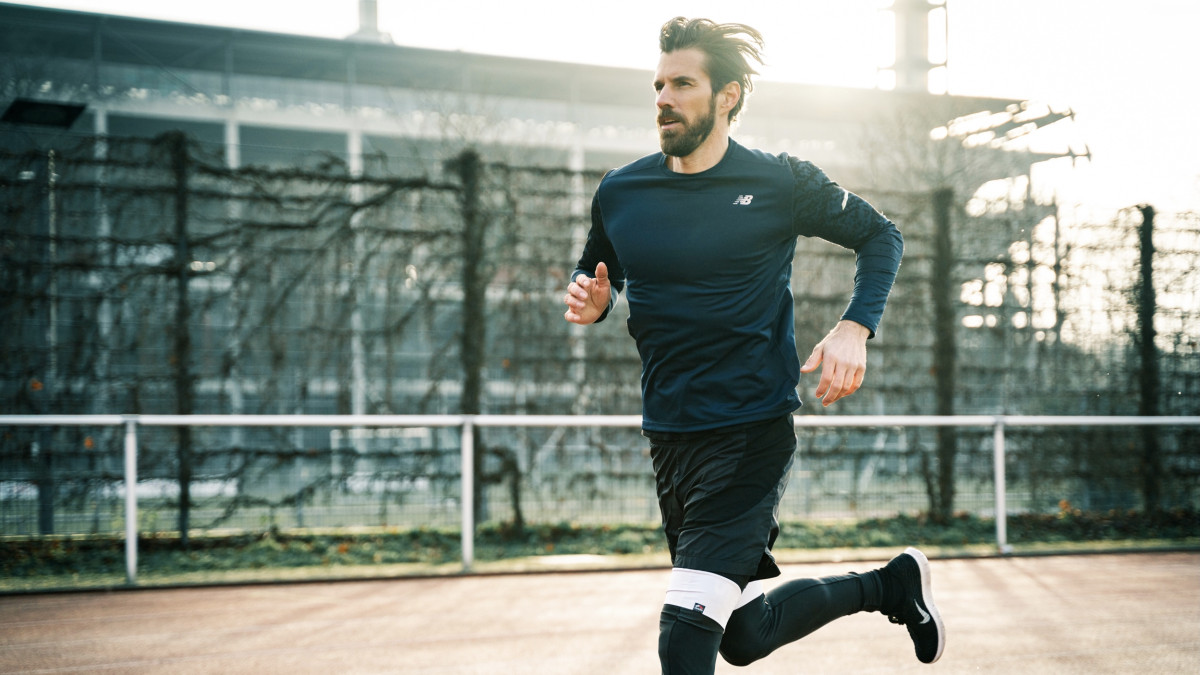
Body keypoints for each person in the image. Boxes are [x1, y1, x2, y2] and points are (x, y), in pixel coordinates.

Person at [562, 16, 943, 674]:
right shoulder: (620, 190)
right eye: (658, 85)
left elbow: (881, 235)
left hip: (749, 432)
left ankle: (887, 586)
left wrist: (855, 326)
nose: (664, 98)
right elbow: (598, 272)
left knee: (684, 637)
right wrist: (594, 301)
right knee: (742, 635)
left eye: (683, 84)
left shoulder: (780, 182)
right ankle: (890, 585)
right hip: (670, 437)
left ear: (727, 95)